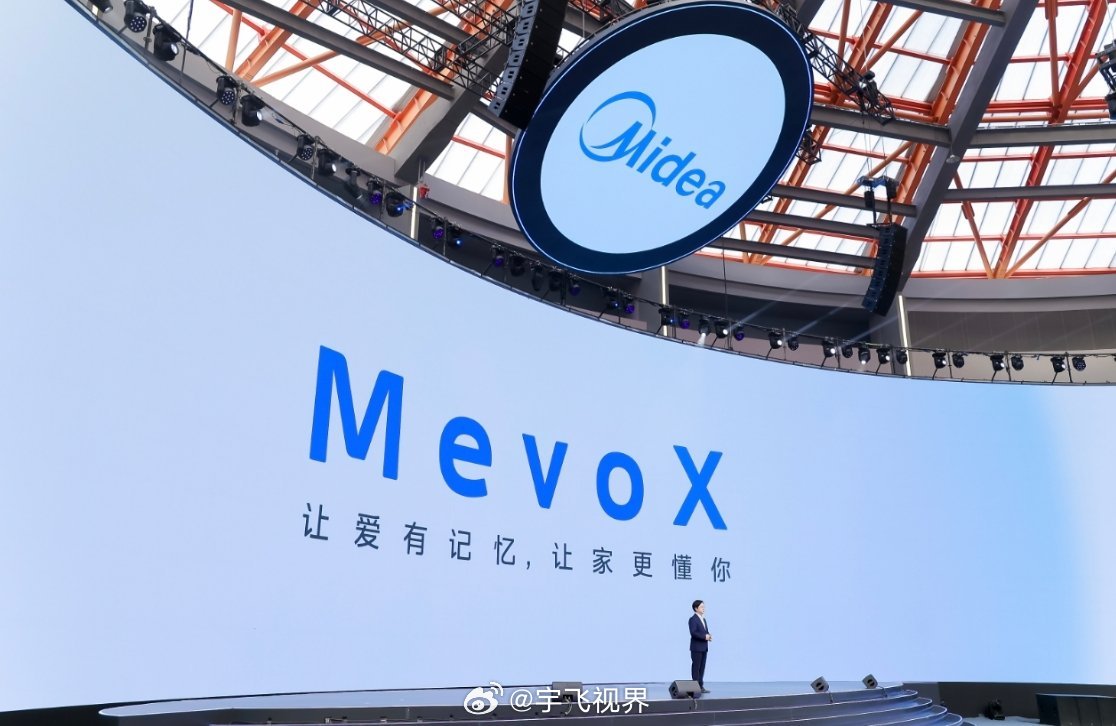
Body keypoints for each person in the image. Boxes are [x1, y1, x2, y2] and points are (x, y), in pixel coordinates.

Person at [688, 600, 711, 693]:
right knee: (696, 667)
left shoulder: (703, 619)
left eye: (703, 607)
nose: (703, 608)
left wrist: (708, 636)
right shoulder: (693, 619)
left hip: (704, 647)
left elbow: (705, 631)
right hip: (696, 647)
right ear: (696, 608)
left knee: (702, 667)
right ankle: (695, 687)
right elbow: (693, 633)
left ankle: (701, 686)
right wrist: (704, 637)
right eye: (701, 607)